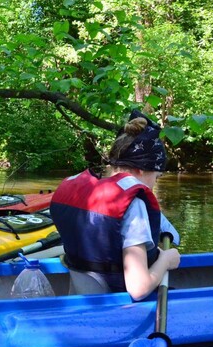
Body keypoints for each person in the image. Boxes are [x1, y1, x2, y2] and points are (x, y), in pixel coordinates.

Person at [49, 110, 181, 301]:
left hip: (80, 300)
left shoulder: (87, 195)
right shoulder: (133, 206)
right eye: (156, 177)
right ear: (140, 170)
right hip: (114, 306)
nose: (155, 183)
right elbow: (138, 288)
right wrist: (165, 260)